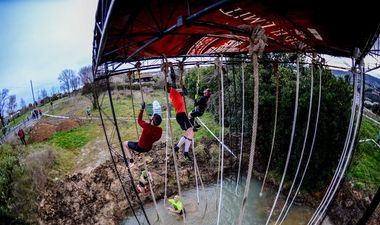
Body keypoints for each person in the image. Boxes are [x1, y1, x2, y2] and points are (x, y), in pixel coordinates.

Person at [122, 102, 163, 168]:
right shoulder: (160, 130)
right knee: (136, 144)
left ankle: (131, 161)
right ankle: (134, 152)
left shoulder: (147, 126)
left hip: (140, 147)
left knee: (124, 144)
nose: (151, 116)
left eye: (152, 117)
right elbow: (157, 138)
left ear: (152, 121)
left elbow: (139, 120)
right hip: (149, 148)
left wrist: (142, 109)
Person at [166, 79, 194, 162]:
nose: (171, 84)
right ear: (169, 87)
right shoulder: (172, 92)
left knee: (187, 134)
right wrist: (171, 68)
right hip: (181, 115)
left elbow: (185, 93)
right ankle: (185, 153)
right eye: (170, 85)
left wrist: (182, 86)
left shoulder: (175, 93)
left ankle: (177, 148)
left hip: (181, 115)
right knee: (191, 133)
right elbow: (173, 81)